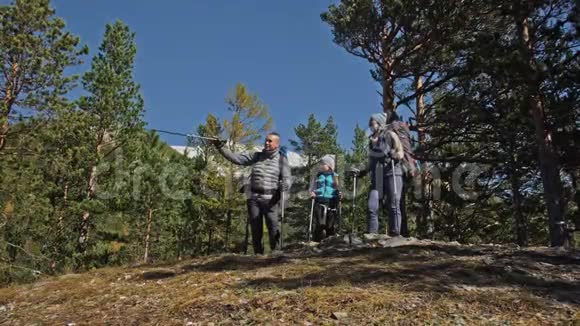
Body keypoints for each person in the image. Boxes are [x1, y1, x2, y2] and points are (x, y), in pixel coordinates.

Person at [212, 132, 291, 254]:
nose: (266, 142)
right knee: (255, 228)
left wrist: (285, 185)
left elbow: (287, 178)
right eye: (266, 140)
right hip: (253, 197)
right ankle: (258, 255)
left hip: (271, 199)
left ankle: (276, 253)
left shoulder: (282, 160)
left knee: (273, 227)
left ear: (276, 144)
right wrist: (220, 147)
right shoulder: (257, 156)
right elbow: (237, 159)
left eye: (270, 141)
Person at [349, 112, 404, 236]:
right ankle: (372, 235)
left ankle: (395, 234)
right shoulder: (371, 141)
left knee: (394, 204)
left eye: (372, 123)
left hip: (392, 172)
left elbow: (401, 153)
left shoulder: (390, 135)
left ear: (380, 123)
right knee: (372, 206)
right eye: (370, 124)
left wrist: (395, 155)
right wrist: (361, 171)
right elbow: (370, 161)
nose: (371, 126)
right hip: (377, 176)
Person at [309, 155, 342, 242]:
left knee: (330, 223)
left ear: (329, 165)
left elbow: (339, 188)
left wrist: (340, 193)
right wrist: (312, 192)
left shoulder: (335, 176)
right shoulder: (318, 176)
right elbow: (312, 187)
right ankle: (316, 240)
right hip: (319, 200)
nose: (320, 165)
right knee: (319, 222)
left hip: (331, 200)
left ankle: (330, 240)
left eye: (323, 164)